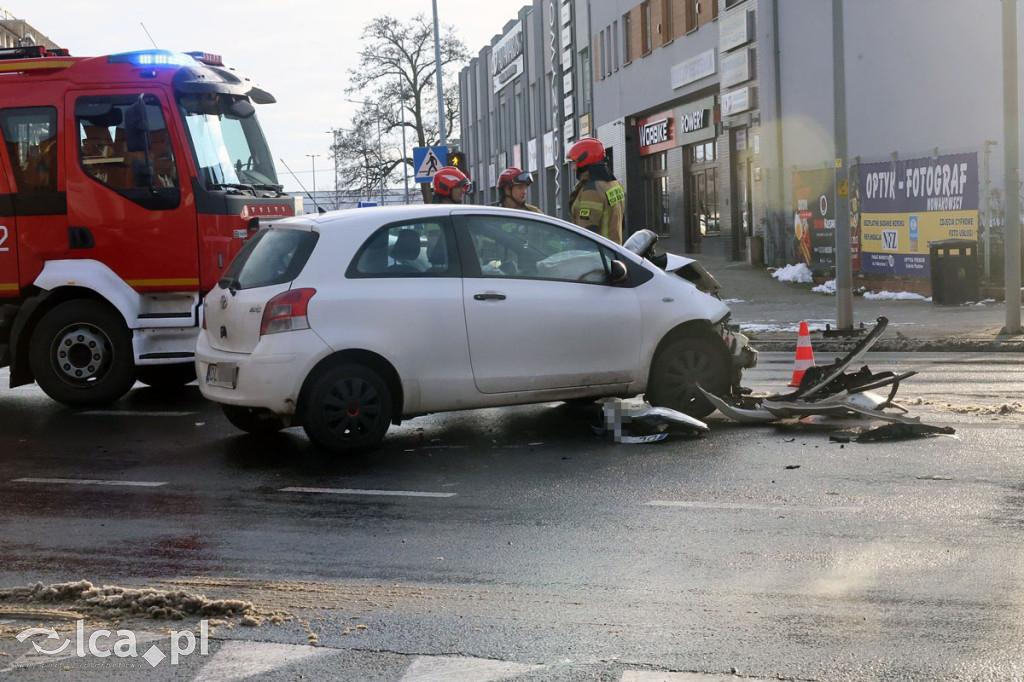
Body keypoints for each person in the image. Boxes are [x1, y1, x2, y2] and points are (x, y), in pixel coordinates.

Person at [567, 137, 625, 244]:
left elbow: (585, 234)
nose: (573, 168)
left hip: (596, 257)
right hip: (613, 251)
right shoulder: (614, 185)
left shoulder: (592, 191)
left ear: (584, 161)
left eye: (575, 163)